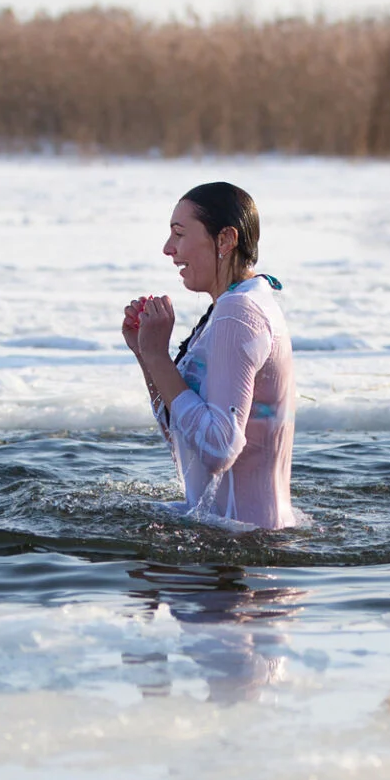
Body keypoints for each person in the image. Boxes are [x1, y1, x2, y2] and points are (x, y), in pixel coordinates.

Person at [122, 182, 299, 530]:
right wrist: (146, 353)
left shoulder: (239, 312)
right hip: (238, 532)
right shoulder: (234, 306)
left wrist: (158, 357)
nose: (168, 248)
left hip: (244, 544)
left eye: (179, 233)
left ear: (225, 240)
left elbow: (218, 448)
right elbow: (183, 434)